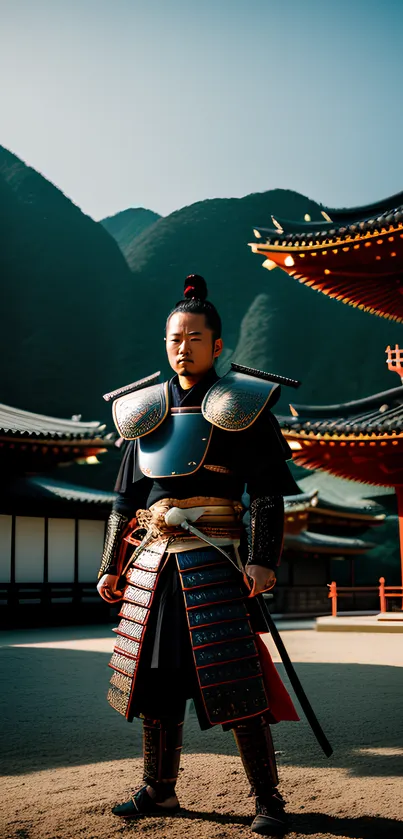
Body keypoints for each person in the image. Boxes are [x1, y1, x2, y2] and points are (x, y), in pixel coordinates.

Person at [97, 275, 300, 835]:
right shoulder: (143, 411)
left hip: (216, 557)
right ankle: (159, 790)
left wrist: (261, 558)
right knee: (156, 678)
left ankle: (267, 799)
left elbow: (265, 491)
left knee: (233, 674)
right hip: (154, 560)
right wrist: (111, 563)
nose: (181, 347)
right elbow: (125, 497)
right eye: (173, 339)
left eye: (192, 337)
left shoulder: (244, 403)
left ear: (217, 344)